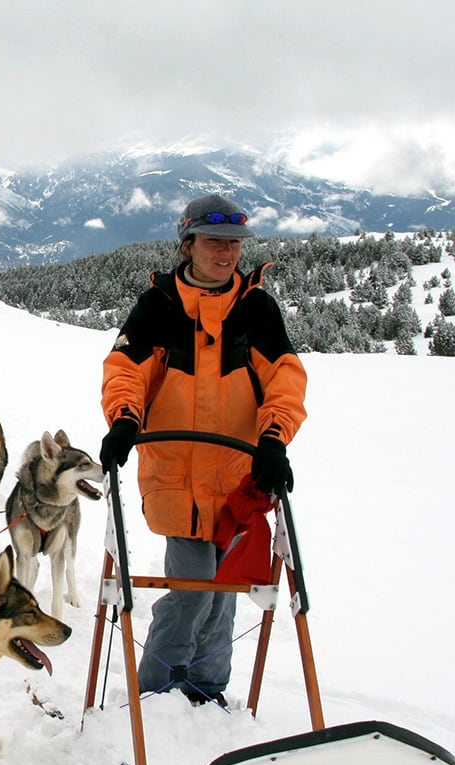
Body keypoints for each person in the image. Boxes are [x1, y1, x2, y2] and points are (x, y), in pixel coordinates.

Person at [99, 193, 308, 707]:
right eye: (215, 241)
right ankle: (155, 693)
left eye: (235, 243)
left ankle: (205, 690)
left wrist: (274, 438)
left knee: (226, 593)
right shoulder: (160, 305)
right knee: (195, 588)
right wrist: (125, 421)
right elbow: (126, 371)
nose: (227, 252)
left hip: (239, 480)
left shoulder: (254, 308)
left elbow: (284, 377)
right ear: (188, 243)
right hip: (175, 476)